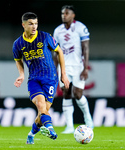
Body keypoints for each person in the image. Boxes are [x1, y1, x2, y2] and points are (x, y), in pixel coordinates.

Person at [13, 12, 69, 144]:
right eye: (31, 24)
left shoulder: (45, 37)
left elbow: (59, 51)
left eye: (36, 23)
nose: (34, 27)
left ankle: (31, 134)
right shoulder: (18, 44)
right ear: (23, 25)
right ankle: (51, 129)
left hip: (50, 79)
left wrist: (63, 74)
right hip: (34, 80)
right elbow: (18, 60)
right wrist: (21, 74)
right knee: (40, 105)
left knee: (42, 113)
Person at [53, 5, 94, 134]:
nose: (64, 15)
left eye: (66, 13)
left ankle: (88, 118)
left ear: (73, 15)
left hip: (77, 66)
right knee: (66, 93)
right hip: (64, 67)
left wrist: (85, 68)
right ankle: (69, 126)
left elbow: (85, 48)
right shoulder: (57, 31)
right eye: (62, 13)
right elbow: (55, 52)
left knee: (77, 94)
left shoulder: (81, 28)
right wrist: (55, 69)